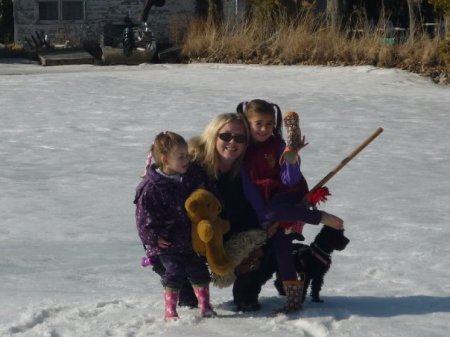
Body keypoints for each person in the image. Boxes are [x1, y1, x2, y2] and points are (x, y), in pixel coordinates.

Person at [236, 99, 344, 313]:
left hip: (288, 196)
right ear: (247, 124)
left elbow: (290, 180)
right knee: (282, 249)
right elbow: (248, 188)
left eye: (269, 124)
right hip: (266, 206)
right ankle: (292, 300)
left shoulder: (276, 146)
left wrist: (291, 160)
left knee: (274, 213)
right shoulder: (242, 150)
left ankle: (318, 217)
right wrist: (264, 219)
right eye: (259, 123)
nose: (265, 129)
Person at [189, 113, 279, 312]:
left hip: (227, 235)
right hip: (191, 241)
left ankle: (246, 292)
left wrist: (266, 228)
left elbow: (247, 209)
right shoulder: (191, 168)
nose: (232, 142)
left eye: (240, 138)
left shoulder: (247, 172)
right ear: (213, 135)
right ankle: (186, 291)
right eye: (226, 136)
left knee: (273, 240)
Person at [133, 131, 216, 321]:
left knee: (199, 271)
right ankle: (170, 311)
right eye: (181, 157)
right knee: (174, 272)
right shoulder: (152, 187)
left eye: (187, 155)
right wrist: (154, 238)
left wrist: (213, 209)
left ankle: (205, 305)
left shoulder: (193, 175)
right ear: (165, 159)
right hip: (166, 243)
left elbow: (210, 193)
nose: (187, 160)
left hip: (190, 239)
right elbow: (143, 218)